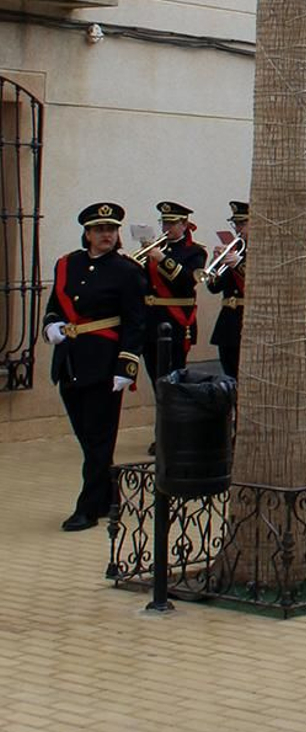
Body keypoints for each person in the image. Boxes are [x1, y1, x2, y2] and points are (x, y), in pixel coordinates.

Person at [44, 201, 147, 531]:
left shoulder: (127, 271)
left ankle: (87, 508)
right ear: (87, 234)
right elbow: (54, 307)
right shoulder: (68, 265)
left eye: (111, 229)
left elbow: (135, 323)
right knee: (87, 437)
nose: (107, 235)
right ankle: (109, 494)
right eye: (100, 230)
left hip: (104, 363)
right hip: (70, 360)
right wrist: (51, 327)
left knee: (100, 438)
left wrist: (125, 366)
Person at [139, 201, 207, 388]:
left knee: (174, 377)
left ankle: (174, 416)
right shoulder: (155, 250)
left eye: (171, 224)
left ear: (184, 225)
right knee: (155, 376)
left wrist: (162, 259)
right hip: (151, 322)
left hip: (176, 321)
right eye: (164, 223)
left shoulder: (195, 251)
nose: (166, 228)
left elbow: (187, 281)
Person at [205, 201, 249, 378]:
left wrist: (238, 264)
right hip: (228, 325)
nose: (238, 228)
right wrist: (215, 264)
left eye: (243, 223)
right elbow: (214, 287)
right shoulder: (234, 249)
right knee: (231, 376)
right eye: (236, 224)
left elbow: (262, 282)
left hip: (250, 320)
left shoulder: (264, 251)